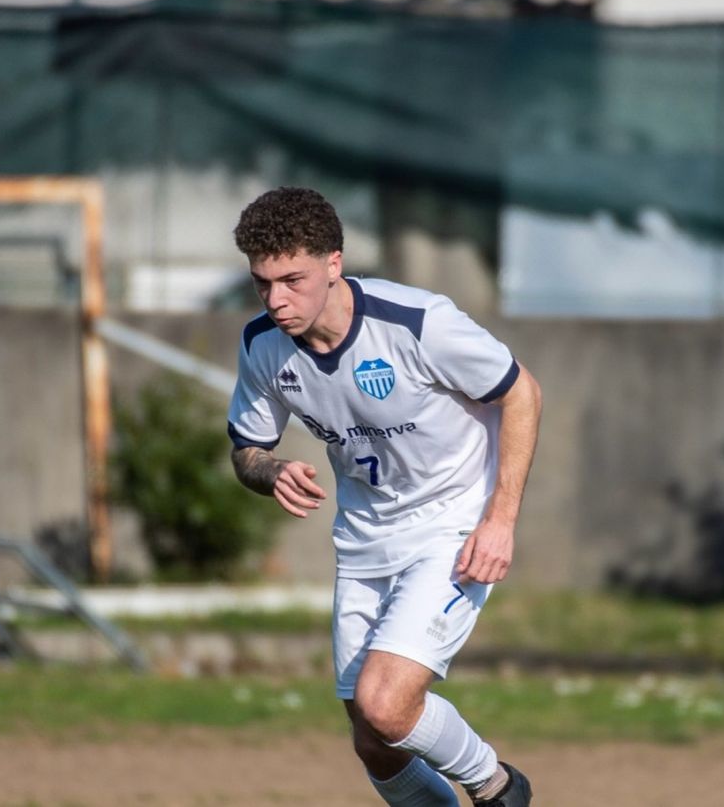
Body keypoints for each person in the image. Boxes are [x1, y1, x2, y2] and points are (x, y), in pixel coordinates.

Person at [227, 187, 541, 807]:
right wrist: (271, 470)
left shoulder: (416, 323)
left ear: (334, 263)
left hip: (451, 525)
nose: (277, 299)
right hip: (365, 540)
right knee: (373, 737)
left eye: (293, 279)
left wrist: (499, 521)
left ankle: (500, 788)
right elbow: (247, 450)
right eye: (263, 283)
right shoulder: (263, 345)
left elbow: (522, 393)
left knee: (386, 701)